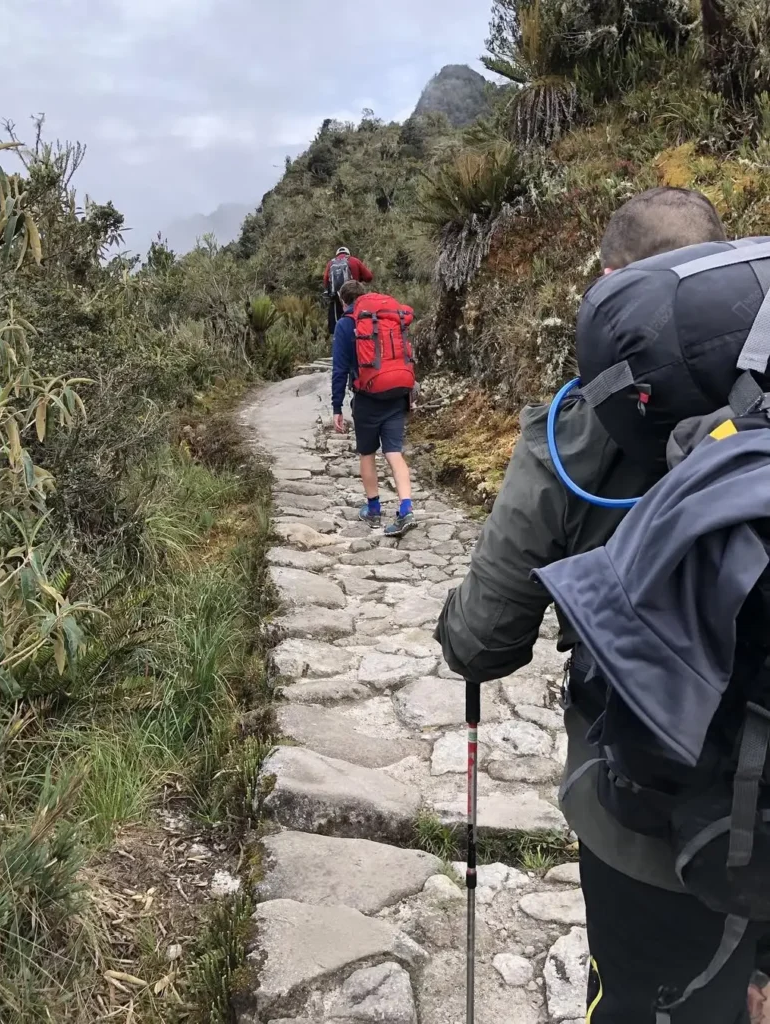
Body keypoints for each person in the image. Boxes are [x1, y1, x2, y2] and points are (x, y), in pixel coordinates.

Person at [434, 186, 770, 1023]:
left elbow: (484, 639)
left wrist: (458, 628)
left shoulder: (579, 431)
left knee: (645, 1000)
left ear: (612, 284)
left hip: (652, 823)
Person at [332, 280, 417, 537]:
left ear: (343, 301)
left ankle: (374, 510)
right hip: (397, 394)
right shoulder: (386, 319)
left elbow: (339, 369)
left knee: (367, 453)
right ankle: (406, 509)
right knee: (394, 452)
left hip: (367, 398)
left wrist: (337, 407)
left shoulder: (346, 324)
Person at [324, 247, 373, 337]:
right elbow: (369, 277)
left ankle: (339, 341)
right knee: (357, 321)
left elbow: (325, 282)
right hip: (355, 296)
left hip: (337, 299)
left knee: (337, 326)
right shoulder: (354, 261)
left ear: (337, 254)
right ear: (348, 253)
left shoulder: (330, 263)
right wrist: (359, 278)